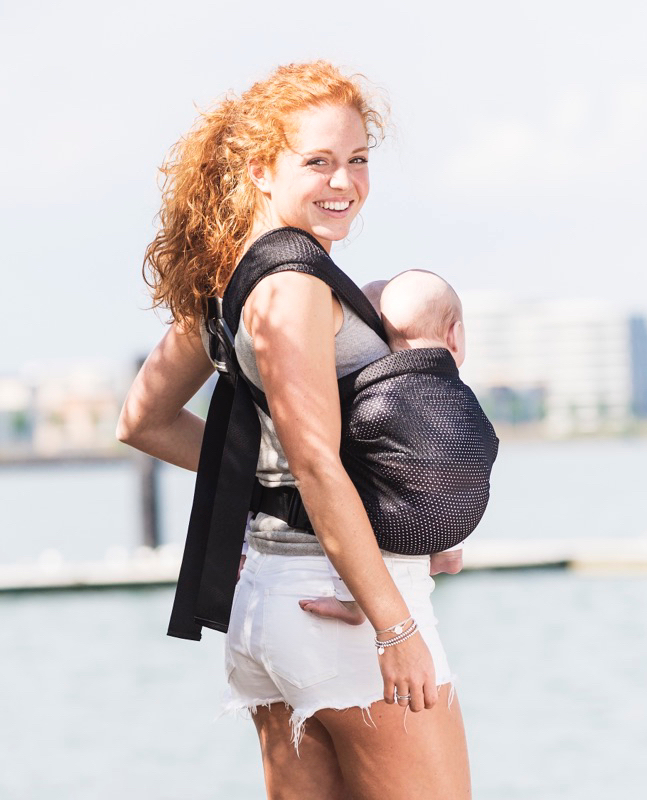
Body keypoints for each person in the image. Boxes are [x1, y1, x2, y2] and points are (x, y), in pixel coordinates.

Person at [117, 62, 471, 799]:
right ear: (260, 170)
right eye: (317, 161)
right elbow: (315, 462)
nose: (344, 182)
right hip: (342, 611)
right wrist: (395, 627)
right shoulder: (296, 288)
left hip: (270, 601)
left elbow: (143, 419)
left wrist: (270, 497)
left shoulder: (228, 280)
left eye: (358, 159)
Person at [301, 269, 478, 627]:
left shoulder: (373, 396)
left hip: (393, 528)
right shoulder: (458, 396)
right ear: (454, 336)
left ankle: (351, 602)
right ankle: (450, 552)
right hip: (458, 520)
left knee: (347, 487)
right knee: (450, 468)